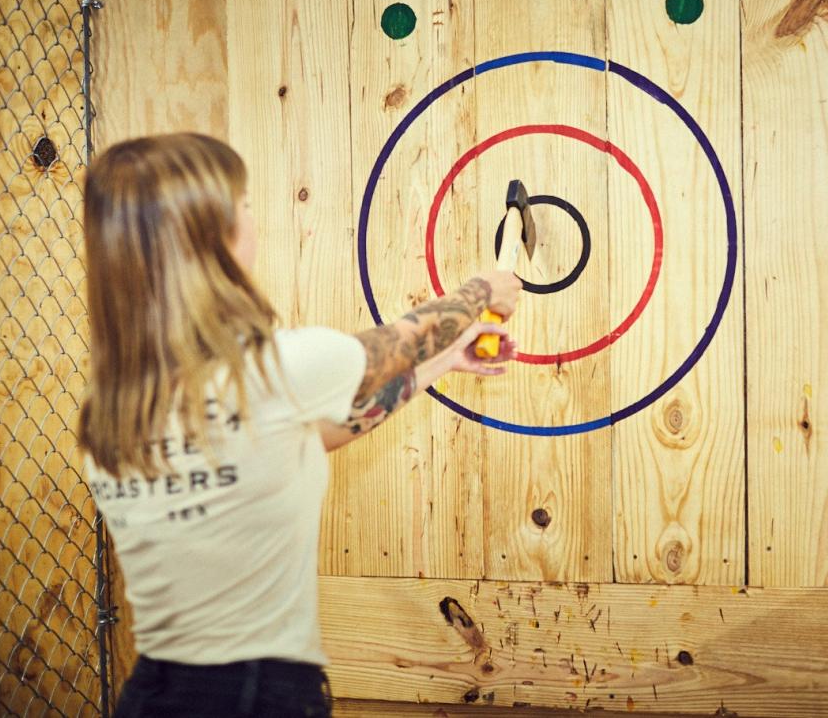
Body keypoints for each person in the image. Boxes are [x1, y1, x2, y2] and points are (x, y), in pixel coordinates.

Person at [79, 133, 521, 717]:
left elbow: (300, 441)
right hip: (254, 698)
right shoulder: (275, 370)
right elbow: (403, 339)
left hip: (151, 696)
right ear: (211, 239)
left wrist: (445, 361)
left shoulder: (115, 407)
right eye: (244, 203)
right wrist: (482, 292)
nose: (252, 215)